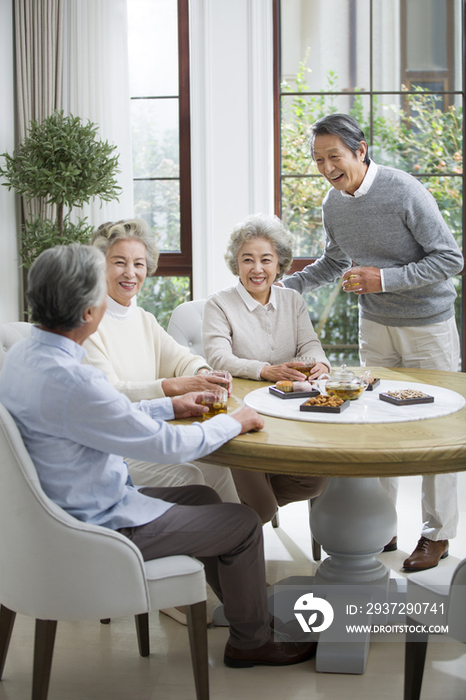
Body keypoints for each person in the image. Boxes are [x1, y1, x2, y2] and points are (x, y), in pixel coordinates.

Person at [0, 243, 317, 668]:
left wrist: (170, 406)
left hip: (51, 516)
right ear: (88, 312)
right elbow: (166, 446)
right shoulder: (78, 380)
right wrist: (236, 421)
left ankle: (249, 618)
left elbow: (98, 415)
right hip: (99, 526)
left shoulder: (20, 357)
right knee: (241, 522)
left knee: (206, 499)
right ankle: (251, 641)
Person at [282, 113, 464, 571]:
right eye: (318, 159)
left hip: (428, 324)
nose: (326, 167)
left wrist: (383, 279)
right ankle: (381, 526)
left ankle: (437, 535)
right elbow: (333, 261)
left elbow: (449, 258)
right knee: (376, 423)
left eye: (334, 157)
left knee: (434, 430)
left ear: (360, 150)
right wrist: (289, 287)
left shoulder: (403, 190)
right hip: (375, 326)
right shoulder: (334, 203)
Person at [82, 219, 239, 507]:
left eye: (139, 264)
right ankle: (214, 541)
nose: (131, 273)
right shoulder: (88, 323)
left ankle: (228, 543)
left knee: (218, 467)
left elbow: (180, 359)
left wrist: (205, 373)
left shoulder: (143, 318)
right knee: (189, 475)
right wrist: (171, 386)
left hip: (149, 433)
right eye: (119, 262)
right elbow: (110, 393)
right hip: (113, 448)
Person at [202, 213, 329, 523]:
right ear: (236, 264)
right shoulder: (219, 304)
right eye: (247, 260)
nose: (257, 269)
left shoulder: (293, 300)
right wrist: (265, 370)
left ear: (279, 264)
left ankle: (236, 515)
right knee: (262, 508)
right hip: (239, 414)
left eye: (266, 260)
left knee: (316, 479)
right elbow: (218, 358)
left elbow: (309, 345)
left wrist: (320, 362)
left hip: (291, 411)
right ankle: (244, 522)